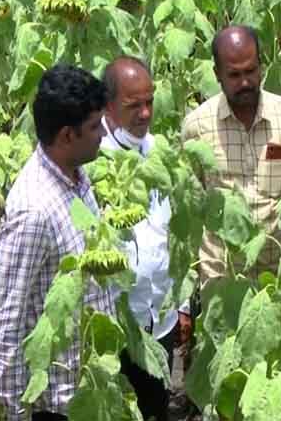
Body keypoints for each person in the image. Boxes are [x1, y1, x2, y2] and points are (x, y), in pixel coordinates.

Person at [0, 64, 115, 421]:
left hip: (89, 392)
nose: (103, 133)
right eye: (94, 127)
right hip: (55, 407)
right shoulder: (33, 209)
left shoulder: (75, 176)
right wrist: (16, 412)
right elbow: (7, 319)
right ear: (66, 135)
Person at [100, 56, 191, 421]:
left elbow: (178, 234)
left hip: (161, 319)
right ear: (108, 107)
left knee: (155, 409)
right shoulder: (92, 161)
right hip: (117, 324)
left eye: (149, 101)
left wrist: (182, 303)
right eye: (133, 105)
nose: (145, 113)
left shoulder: (160, 152)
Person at [181, 25, 281, 283]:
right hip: (222, 275)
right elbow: (192, 205)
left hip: (280, 271)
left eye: (251, 71)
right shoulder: (197, 126)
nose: (245, 82)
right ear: (217, 74)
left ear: (261, 66)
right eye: (234, 75)